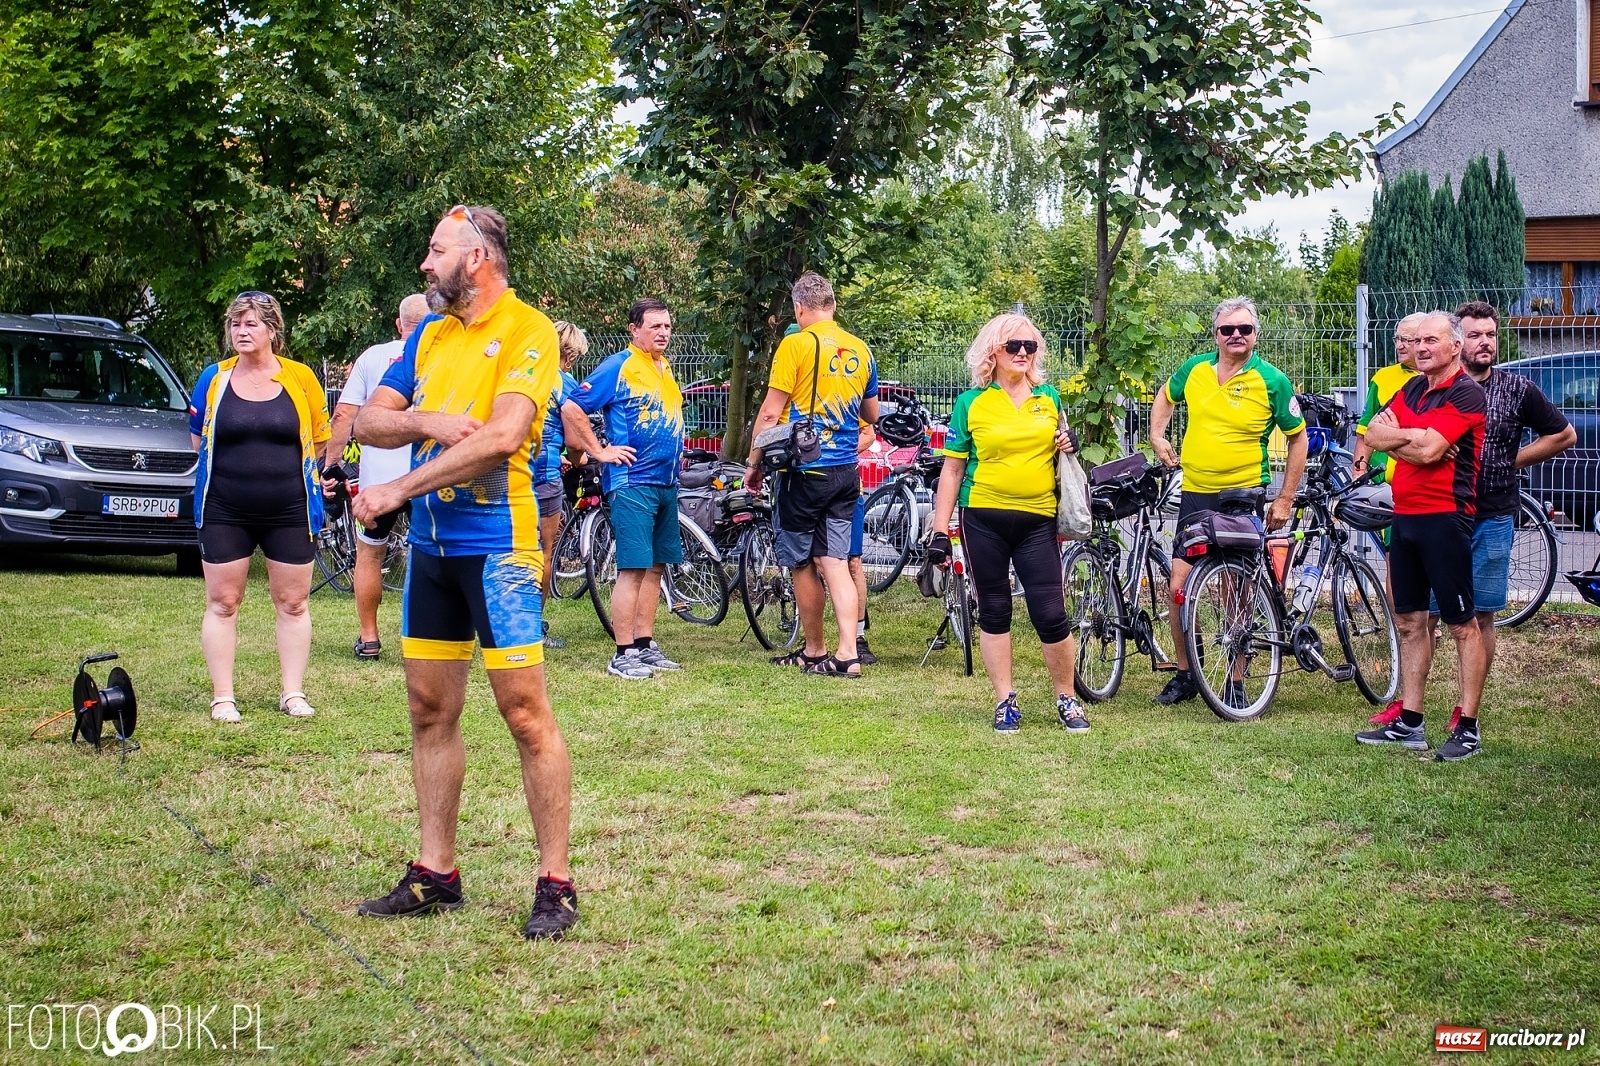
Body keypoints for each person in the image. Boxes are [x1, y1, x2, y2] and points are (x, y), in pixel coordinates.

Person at [350, 204, 577, 939]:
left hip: (501, 548)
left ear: (475, 258)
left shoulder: (528, 330)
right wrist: (426, 422)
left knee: (524, 714)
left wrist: (394, 490)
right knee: (427, 710)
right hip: (436, 555)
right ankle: (435, 873)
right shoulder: (427, 333)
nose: (425, 264)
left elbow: (506, 434)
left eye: (435, 250)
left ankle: (556, 882)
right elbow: (367, 421)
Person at [1148, 295, 1309, 708]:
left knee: (1236, 588)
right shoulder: (1195, 370)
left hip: (1243, 496)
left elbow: (1298, 439)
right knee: (1178, 585)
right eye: (1227, 329)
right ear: (1215, 334)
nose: (1236, 336)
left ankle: (1235, 679)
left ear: (1256, 334)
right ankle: (1186, 673)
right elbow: (1166, 397)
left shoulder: (1272, 380)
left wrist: (1285, 498)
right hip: (1196, 493)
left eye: (1245, 329)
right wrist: (1157, 435)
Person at [928, 313, 1085, 732]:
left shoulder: (1049, 397)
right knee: (994, 610)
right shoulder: (971, 403)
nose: (1021, 353)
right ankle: (1005, 701)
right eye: (1013, 346)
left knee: (1051, 612)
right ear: (993, 351)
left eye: (1029, 347)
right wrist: (940, 530)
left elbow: (1065, 455)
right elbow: (952, 470)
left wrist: (1069, 443)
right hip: (983, 517)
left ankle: (1067, 698)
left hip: (1037, 520)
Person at [188, 291, 331, 723]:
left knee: (293, 602)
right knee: (223, 601)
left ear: (273, 330)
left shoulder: (301, 377)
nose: (241, 332)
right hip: (224, 508)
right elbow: (199, 440)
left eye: (250, 324)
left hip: (289, 508)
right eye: (235, 324)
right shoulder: (213, 378)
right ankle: (223, 698)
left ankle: (292, 693)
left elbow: (319, 441)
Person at [1357, 311, 1489, 762]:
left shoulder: (1466, 392)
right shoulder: (1410, 387)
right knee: (1410, 622)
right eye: (1417, 342)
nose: (1422, 348)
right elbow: (1372, 432)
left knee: (1461, 624)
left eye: (1432, 340)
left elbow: (1435, 452)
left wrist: (1408, 437)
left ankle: (1467, 727)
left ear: (1456, 346)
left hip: (1446, 518)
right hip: (1405, 517)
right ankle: (1410, 722)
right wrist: (1415, 435)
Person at [745, 273, 878, 677]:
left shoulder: (796, 344)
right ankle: (848, 652)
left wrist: (753, 464)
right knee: (836, 561)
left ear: (799, 308)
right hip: (844, 470)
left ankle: (816, 649)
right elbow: (871, 415)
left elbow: (770, 413)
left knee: (802, 562)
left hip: (804, 470)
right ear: (833, 306)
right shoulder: (860, 348)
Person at [561, 298, 685, 679]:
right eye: (654, 326)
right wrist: (598, 450)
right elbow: (571, 407)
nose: (662, 332)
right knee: (632, 567)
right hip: (632, 483)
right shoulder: (619, 366)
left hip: (665, 482)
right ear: (634, 329)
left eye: (666, 326)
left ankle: (645, 644)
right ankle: (623, 651)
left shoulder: (663, 368)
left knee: (655, 566)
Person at [324, 293, 433, 660]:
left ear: (399, 324)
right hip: (426, 475)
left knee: (369, 555)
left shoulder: (372, 357)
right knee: (428, 557)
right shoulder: (440, 352)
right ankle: (422, 637)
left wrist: (331, 463)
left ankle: (369, 638)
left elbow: (343, 416)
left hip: (379, 480)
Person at [532, 321, 588, 650]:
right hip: (544, 476)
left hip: (509, 473)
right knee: (543, 553)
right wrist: (579, 459)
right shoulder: (564, 384)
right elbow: (573, 438)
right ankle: (532, 628)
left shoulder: (521, 373)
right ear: (568, 355)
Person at [1352, 313, 1424, 482]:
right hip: (1385, 483)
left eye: (1406, 340)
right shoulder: (1382, 378)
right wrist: (1358, 473)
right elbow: (1364, 433)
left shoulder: (1445, 379)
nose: (1399, 346)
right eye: (1397, 339)